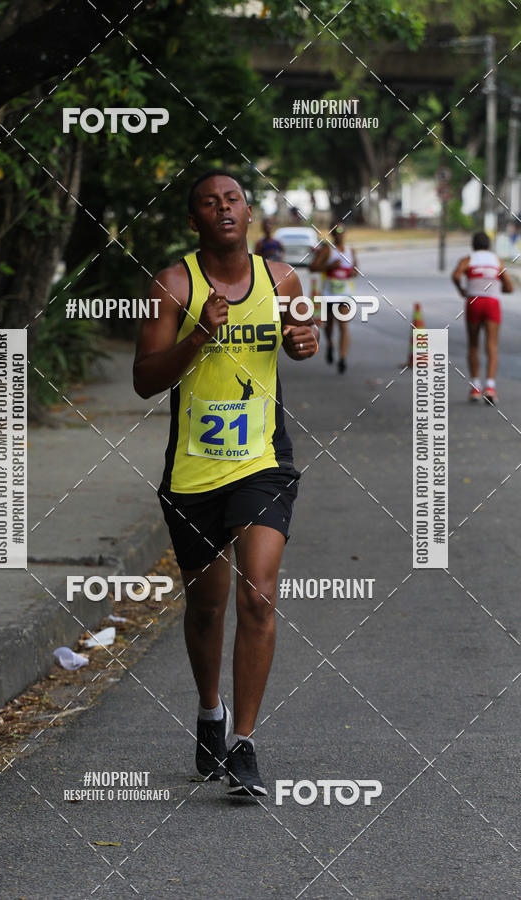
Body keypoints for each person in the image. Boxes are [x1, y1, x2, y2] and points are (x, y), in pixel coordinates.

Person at [133, 170, 318, 797]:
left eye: (233, 199)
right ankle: (210, 713)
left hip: (263, 461)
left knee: (258, 597)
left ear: (248, 210)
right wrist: (199, 336)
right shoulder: (172, 284)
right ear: (196, 221)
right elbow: (144, 378)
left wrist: (303, 341)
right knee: (207, 607)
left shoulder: (282, 279)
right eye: (210, 203)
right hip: (191, 471)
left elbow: (301, 341)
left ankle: (244, 745)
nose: (224, 209)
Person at [452, 231, 513, 404]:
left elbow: (456, 275)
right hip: (492, 304)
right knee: (491, 345)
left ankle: (475, 387)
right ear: (489, 245)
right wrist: (497, 289)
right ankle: (491, 387)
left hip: (474, 302)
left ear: (473, 245)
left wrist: (462, 290)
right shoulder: (496, 261)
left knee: (473, 344)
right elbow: (509, 286)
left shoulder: (468, 260)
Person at [309, 223, 357, 373]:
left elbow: (355, 269)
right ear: (332, 234)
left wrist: (353, 272)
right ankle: (330, 344)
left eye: (342, 231)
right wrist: (330, 267)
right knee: (329, 327)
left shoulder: (351, 251)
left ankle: (342, 358)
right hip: (328, 296)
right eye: (336, 232)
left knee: (343, 326)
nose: (340, 234)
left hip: (345, 296)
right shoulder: (327, 250)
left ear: (345, 233)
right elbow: (313, 267)